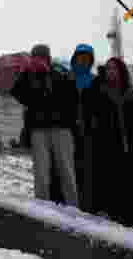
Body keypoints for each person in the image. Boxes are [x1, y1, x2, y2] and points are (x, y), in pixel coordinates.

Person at [10, 44, 79, 206]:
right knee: (41, 173)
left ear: (47, 58)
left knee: (66, 171)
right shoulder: (28, 76)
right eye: (34, 57)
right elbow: (17, 93)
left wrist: (48, 74)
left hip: (62, 129)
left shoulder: (60, 73)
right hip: (38, 130)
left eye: (40, 57)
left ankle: (74, 207)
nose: (37, 60)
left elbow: (71, 98)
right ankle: (42, 207)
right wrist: (26, 73)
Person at [84, 57, 133, 228]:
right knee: (108, 183)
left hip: (129, 148)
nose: (111, 72)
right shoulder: (98, 91)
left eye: (114, 68)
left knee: (129, 187)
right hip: (106, 147)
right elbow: (88, 112)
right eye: (108, 68)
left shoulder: (132, 94)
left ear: (121, 71)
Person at [69, 44, 96, 211]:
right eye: (80, 57)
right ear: (75, 58)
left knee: (87, 167)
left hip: (88, 130)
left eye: (87, 58)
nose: (83, 61)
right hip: (68, 129)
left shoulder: (94, 81)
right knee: (69, 167)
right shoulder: (67, 78)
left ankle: (87, 203)